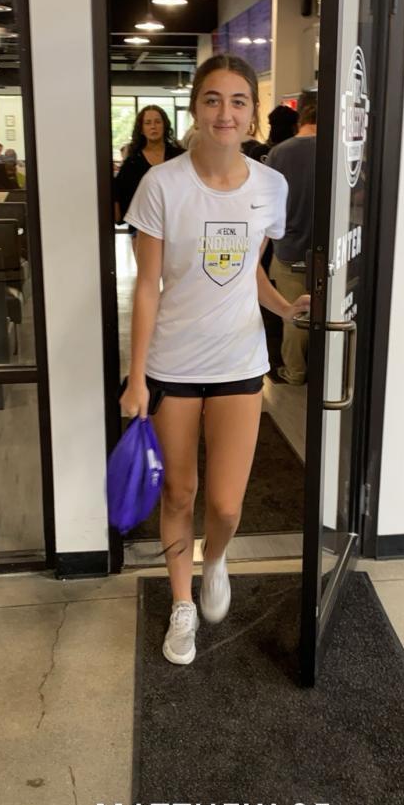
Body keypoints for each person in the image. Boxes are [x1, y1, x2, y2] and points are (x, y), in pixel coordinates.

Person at [121, 54, 309, 666]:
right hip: (173, 366)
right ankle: (181, 603)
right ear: (196, 109)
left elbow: (248, 271)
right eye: (212, 99)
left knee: (226, 505)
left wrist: (285, 308)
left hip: (239, 363)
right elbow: (147, 287)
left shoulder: (270, 186)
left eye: (238, 101)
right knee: (180, 493)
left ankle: (217, 558)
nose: (225, 112)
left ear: (253, 115)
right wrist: (135, 378)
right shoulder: (162, 185)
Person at [266, 97, 317, 384]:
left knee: (295, 313)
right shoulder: (337, 150)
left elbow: (268, 201)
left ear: (302, 121)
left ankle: (296, 372)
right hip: (326, 249)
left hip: (288, 247)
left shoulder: (279, 153)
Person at [113, 106, 183, 249]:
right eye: (148, 123)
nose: (153, 127)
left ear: (164, 125)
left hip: (177, 227)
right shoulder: (132, 162)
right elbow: (120, 193)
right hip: (142, 228)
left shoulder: (180, 157)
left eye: (157, 122)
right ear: (141, 129)